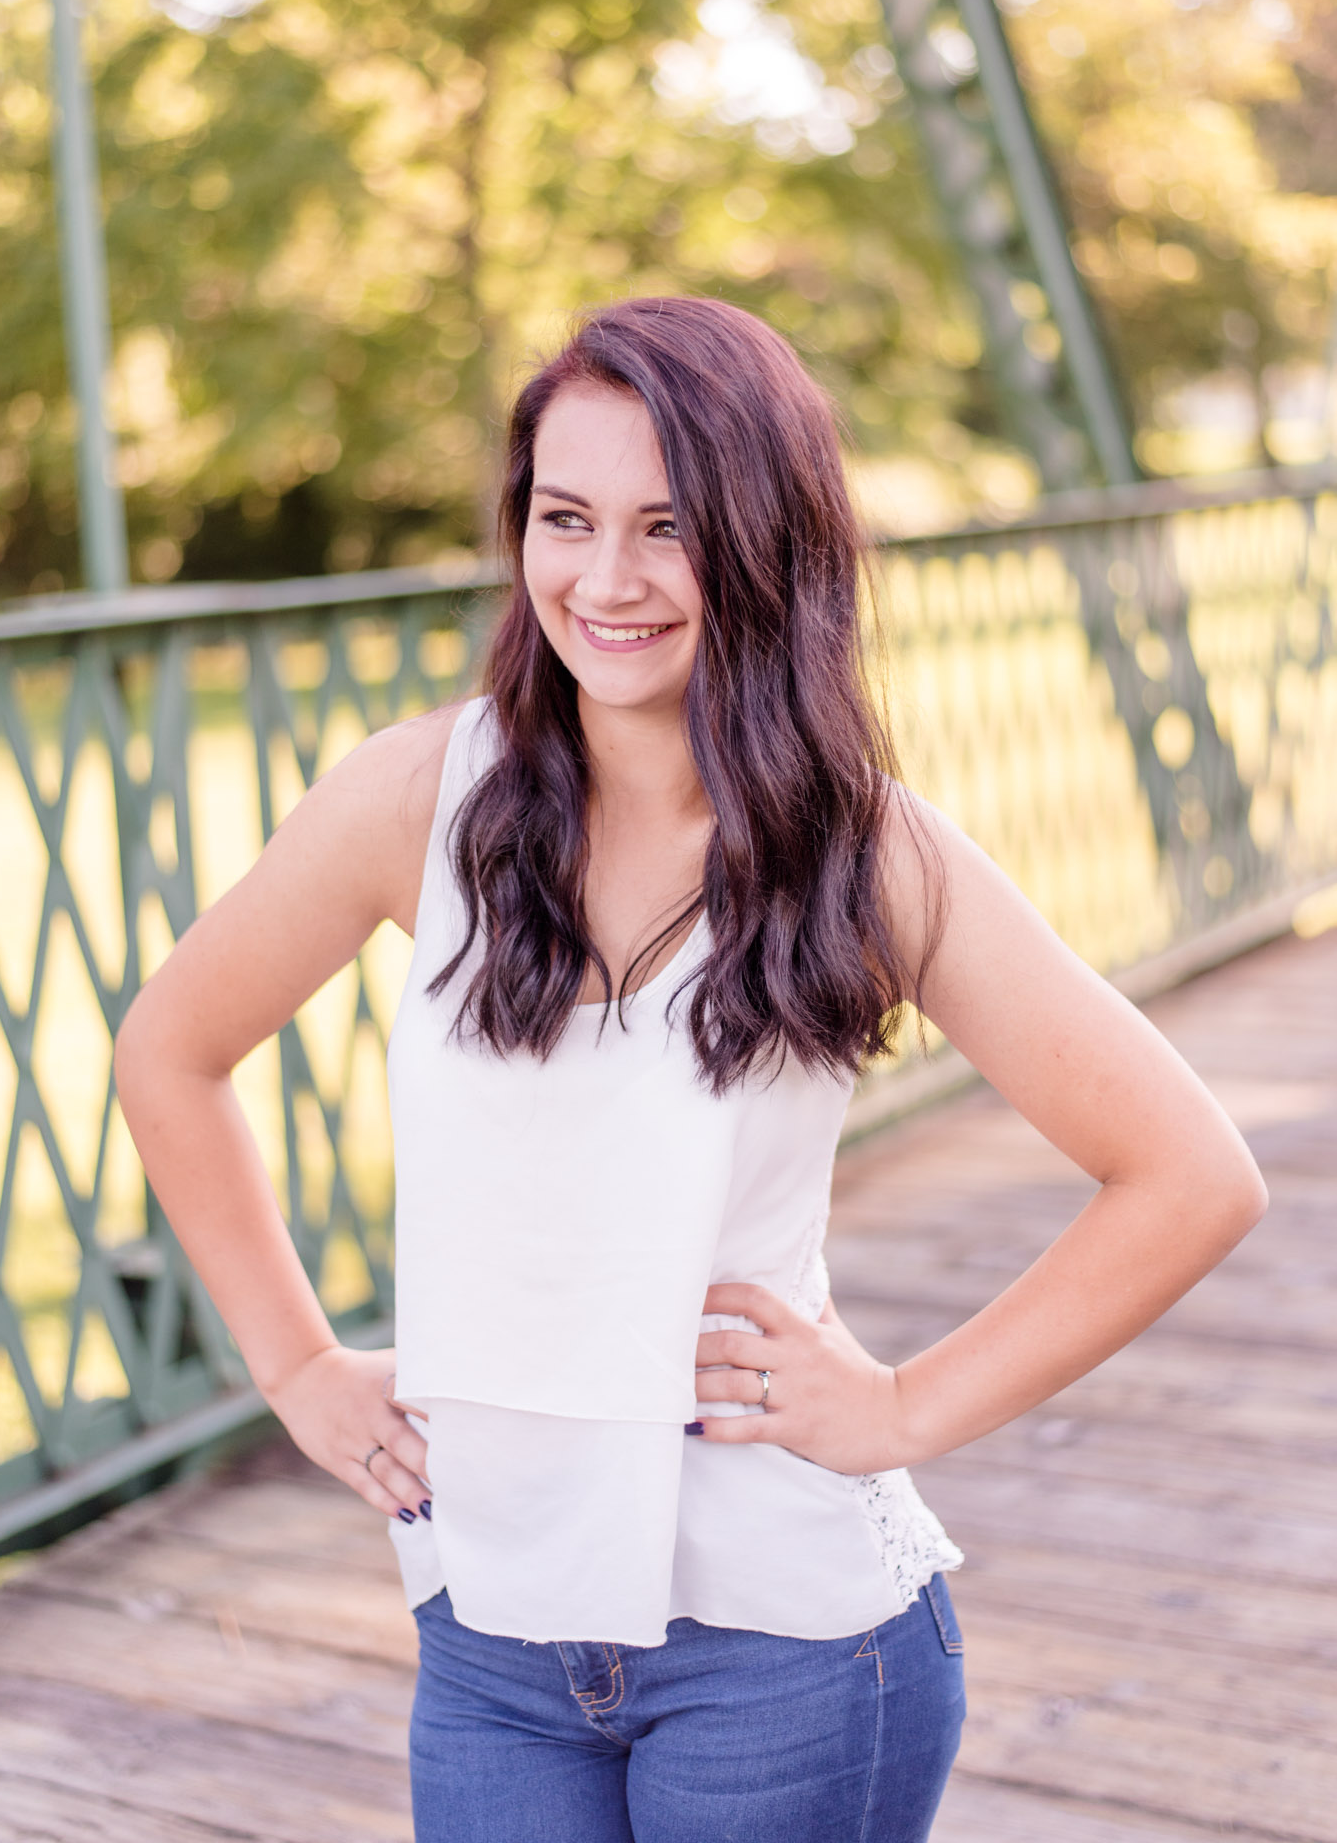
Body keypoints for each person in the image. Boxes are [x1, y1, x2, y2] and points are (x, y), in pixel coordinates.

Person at [115, 295, 1267, 1843]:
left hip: (786, 1644)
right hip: (491, 1632)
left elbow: (1191, 1175)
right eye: (566, 517)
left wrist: (904, 1408)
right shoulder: (419, 798)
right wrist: (298, 1369)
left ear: (764, 543)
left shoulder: (871, 854)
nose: (606, 579)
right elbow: (169, 1052)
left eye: (669, 528)